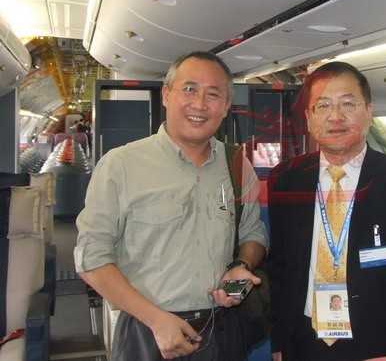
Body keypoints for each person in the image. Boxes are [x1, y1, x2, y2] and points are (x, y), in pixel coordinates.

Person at [74, 51, 268, 361]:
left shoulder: (236, 166)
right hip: (147, 330)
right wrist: (155, 319)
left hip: (221, 330)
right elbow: (91, 258)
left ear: (226, 106)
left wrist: (242, 267)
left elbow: (253, 234)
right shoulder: (121, 165)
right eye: (189, 89)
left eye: (213, 94)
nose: (200, 104)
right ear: (166, 95)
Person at [268, 61, 386, 361]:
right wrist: (280, 340)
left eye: (348, 104)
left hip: (382, 343)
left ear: (369, 111)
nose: (335, 116)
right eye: (323, 105)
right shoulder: (286, 179)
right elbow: (281, 269)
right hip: (304, 341)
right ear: (309, 118)